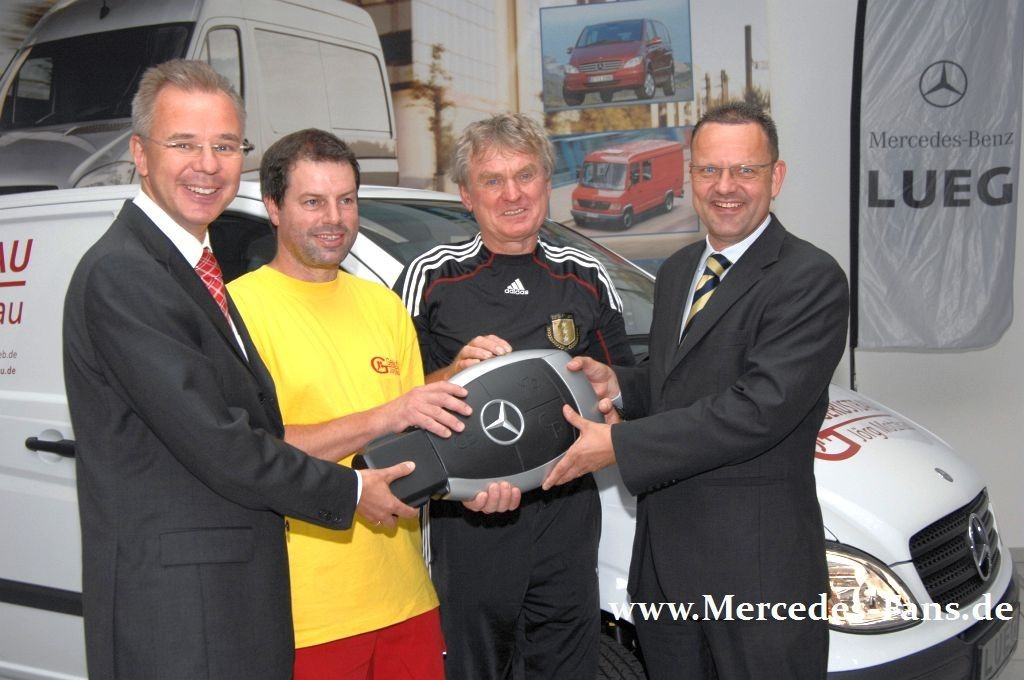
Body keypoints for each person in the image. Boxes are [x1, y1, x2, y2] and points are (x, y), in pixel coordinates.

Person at [62, 60, 416, 680]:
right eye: (184, 144)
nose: (208, 164)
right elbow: (221, 442)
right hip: (184, 616)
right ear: (140, 154)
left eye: (225, 146)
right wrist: (355, 491)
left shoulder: (192, 269)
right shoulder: (126, 273)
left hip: (226, 603)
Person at [543, 101, 850, 679]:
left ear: (776, 177)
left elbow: (757, 409)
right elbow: (680, 381)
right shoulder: (680, 270)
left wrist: (619, 446)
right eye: (709, 169)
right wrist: (622, 385)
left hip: (756, 572)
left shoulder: (811, 278)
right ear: (691, 177)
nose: (725, 187)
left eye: (745, 170)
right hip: (665, 564)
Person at [228, 128, 484, 679]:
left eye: (346, 200)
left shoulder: (383, 305)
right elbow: (251, 452)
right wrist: (385, 416)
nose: (334, 218)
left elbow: (418, 440)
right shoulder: (238, 312)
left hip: (407, 600)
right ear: (273, 207)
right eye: (312, 201)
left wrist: (483, 484)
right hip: (305, 618)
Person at [395, 112, 635, 679]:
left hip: (568, 516)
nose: (512, 194)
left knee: (567, 668)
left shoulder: (587, 276)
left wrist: (610, 420)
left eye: (525, 175)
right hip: (468, 521)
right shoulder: (430, 277)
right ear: (466, 195)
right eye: (493, 180)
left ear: (547, 183)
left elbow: (624, 391)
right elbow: (392, 404)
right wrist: (451, 373)